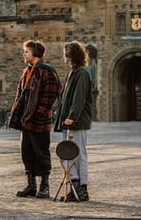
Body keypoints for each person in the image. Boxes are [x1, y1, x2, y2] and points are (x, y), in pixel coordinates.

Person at [8, 40, 60, 199]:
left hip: (39, 121)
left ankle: (45, 186)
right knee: (27, 152)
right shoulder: (27, 71)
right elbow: (20, 94)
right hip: (26, 120)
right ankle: (31, 185)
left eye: (27, 52)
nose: (24, 54)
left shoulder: (47, 71)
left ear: (35, 53)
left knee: (41, 153)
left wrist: (39, 113)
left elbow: (50, 96)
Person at [53, 40, 93, 202]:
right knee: (65, 154)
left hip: (75, 121)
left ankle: (81, 188)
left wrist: (72, 116)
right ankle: (75, 185)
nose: (65, 56)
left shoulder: (82, 73)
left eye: (67, 53)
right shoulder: (72, 72)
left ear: (73, 55)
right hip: (66, 120)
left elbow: (79, 98)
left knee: (79, 154)